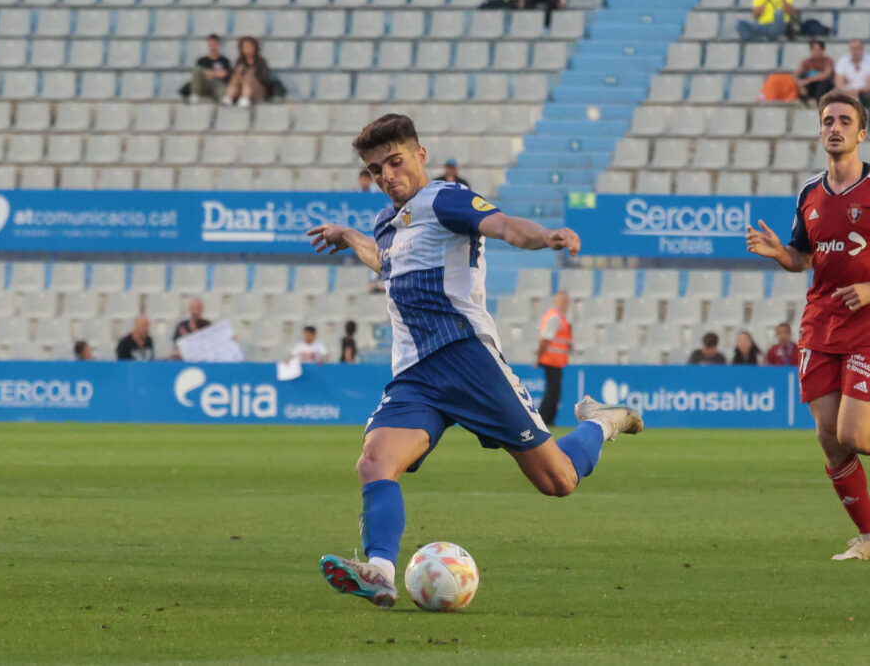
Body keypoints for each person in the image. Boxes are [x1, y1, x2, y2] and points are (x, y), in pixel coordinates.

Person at [306, 113, 642, 608]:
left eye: (395, 162)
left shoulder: (446, 197)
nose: (387, 176)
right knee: (375, 461)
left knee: (558, 481)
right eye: (377, 170)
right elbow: (388, 264)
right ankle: (379, 570)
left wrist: (545, 236)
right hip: (416, 375)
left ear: (420, 156)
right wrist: (352, 237)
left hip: (467, 359)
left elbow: (503, 225)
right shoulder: (384, 223)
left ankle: (602, 422)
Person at [746, 90, 870, 561]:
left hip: (869, 324)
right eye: (827, 120)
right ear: (820, 131)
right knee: (829, 439)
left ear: (861, 133)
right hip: (820, 325)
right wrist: (781, 254)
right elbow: (803, 257)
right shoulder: (809, 194)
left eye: (843, 121)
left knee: (855, 436)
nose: (833, 127)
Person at [536, 291, 572, 426]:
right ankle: (544, 419)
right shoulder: (555, 318)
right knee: (552, 392)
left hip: (556, 361)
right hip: (551, 360)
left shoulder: (559, 317)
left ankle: (549, 419)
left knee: (554, 392)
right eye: (563, 301)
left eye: (567, 301)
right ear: (556, 301)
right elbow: (544, 339)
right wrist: (538, 358)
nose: (565, 304)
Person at [222, 37, 272, 108]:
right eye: (245, 47)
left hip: (257, 91)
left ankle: (245, 97)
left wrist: (253, 74)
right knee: (236, 76)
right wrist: (238, 72)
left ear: (255, 48)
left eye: (249, 46)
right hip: (240, 89)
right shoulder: (239, 61)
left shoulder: (261, 62)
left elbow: (265, 79)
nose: (247, 49)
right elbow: (232, 78)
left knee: (248, 76)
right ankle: (229, 96)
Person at [834, 39, 870, 113]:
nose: (855, 51)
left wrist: (859, 92)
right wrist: (849, 92)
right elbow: (838, 82)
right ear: (849, 50)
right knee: (835, 94)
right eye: (852, 48)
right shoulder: (843, 61)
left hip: (865, 91)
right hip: (848, 90)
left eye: (857, 48)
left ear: (862, 49)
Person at [188, 34, 232, 104]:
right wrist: (215, 73)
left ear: (219, 44)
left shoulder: (224, 60)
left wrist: (209, 73)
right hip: (204, 84)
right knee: (197, 72)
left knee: (222, 92)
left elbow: (224, 74)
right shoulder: (202, 60)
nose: (212, 46)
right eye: (210, 44)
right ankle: (195, 95)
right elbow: (198, 72)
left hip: (217, 84)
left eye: (214, 44)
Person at [794, 39, 835, 105]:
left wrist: (807, 80)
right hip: (811, 87)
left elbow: (825, 75)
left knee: (823, 82)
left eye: (818, 50)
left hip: (824, 88)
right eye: (813, 49)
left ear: (823, 51)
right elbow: (795, 75)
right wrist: (800, 87)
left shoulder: (828, 61)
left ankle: (820, 105)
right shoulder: (806, 61)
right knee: (802, 76)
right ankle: (804, 106)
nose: (815, 52)